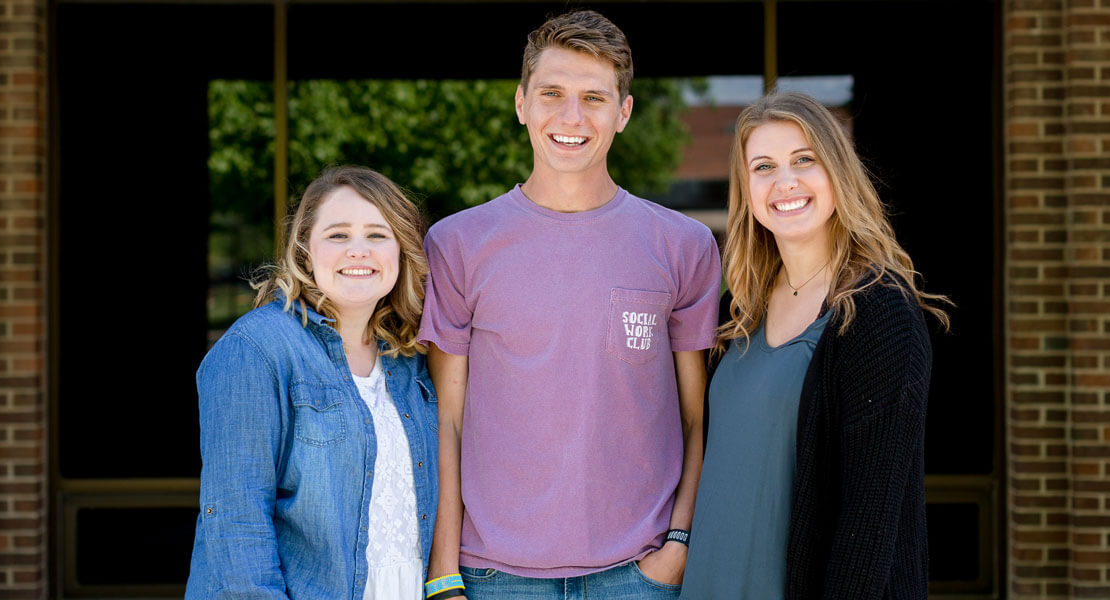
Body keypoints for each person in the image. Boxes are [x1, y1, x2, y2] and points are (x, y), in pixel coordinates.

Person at [418, 9, 721, 600]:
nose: (571, 117)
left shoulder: (683, 246)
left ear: (624, 113)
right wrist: (443, 573)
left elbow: (696, 416)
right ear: (521, 103)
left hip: (639, 573)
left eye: (594, 98)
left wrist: (680, 543)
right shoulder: (457, 244)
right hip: (492, 575)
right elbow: (446, 421)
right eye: (552, 93)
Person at [680, 92, 951, 600]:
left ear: (837, 173)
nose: (785, 182)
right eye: (764, 167)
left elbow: (870, 521)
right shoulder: (737, 310)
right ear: (748, 190)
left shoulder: (879, 313)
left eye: (804, 160)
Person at [187, 166, 440, 599]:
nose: (358, 251)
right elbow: (235, 522)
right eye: (338, 235)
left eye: (377, 235)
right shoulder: (257, 350)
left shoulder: (409, 358)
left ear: (401, 250)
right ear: (305, 251)